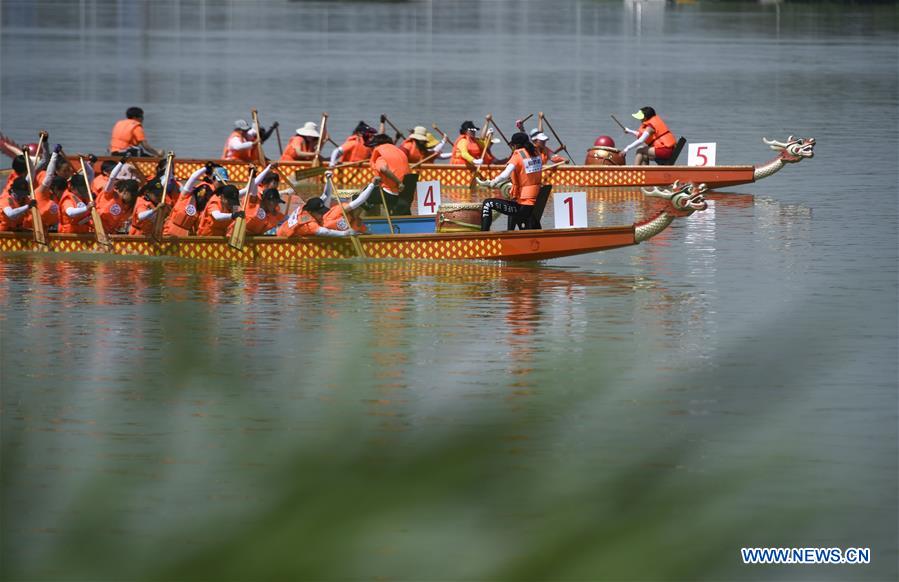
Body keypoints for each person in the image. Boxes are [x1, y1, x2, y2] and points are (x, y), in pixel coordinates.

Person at [477, 132, 542, 231]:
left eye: (512, 145)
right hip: (534, 200)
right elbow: (525, 174)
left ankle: (484, 236)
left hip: (523, 205)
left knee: (487, 204)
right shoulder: (536, 153)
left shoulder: (518, 155)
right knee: (511, 201)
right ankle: (510, 232)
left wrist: (493, 182)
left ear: (516, 145)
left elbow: (505, 174)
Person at [162, 164, 215, 237]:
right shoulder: (186, 195)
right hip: (169, 231)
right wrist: (205, 168)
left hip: (184, 237)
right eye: (202, 192)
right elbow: (193, 178)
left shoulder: (201, 210)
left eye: (206, 196)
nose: (203, 197)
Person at [368, 134, 410, 212]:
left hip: (389, 193)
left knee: (362, 195)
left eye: (373, 147)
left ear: (377, 145)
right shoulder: (398, 152)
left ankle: (368, 218)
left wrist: (399, 182)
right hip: (404, 193)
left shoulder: (380, 157)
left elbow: (384, 169)